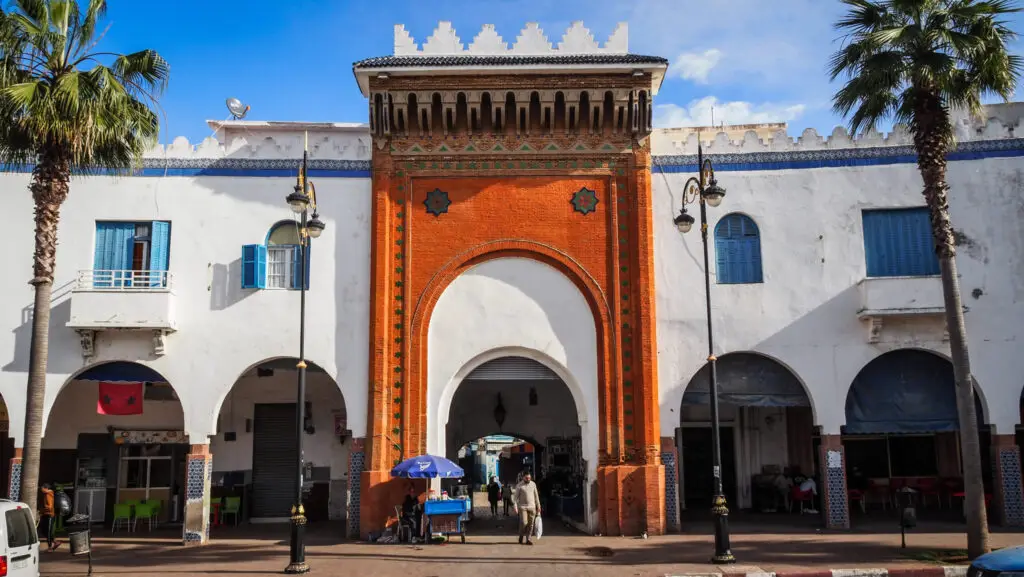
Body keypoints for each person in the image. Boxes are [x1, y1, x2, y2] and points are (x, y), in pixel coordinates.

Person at [513, 472, 541, 545]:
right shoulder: (519, 486)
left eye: (529, 478)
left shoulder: (533, 484)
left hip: (532, 507)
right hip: (523, 507)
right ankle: (521, 535)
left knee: (531, 524)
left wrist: (539, 506)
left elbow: (536, 496)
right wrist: (515, 507)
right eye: (527, 478)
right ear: (523, 478)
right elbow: (515, 498)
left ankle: (528, 538)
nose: (528, 479)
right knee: (524, 523)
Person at [38, 483, 59, 552]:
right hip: (45, 514)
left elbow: (49, 507)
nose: (41, 489)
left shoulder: (48, 495)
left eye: (42, 488)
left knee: (48, 531)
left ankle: (50, 547)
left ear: (46, 488)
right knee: (44, 530)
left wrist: (41, 510)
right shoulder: (45, 494)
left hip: (49, 515)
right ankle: (55, 542)